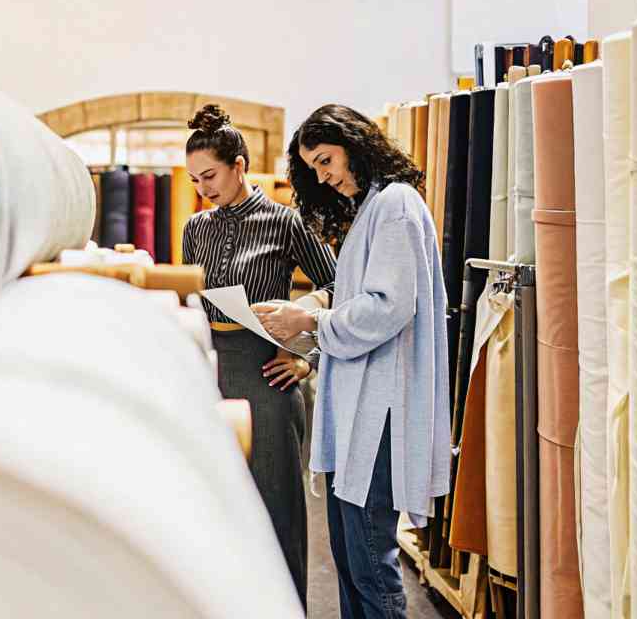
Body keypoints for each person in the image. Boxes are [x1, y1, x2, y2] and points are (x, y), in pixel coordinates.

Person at [254, 104, 450, 619]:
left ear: (354, 144)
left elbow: (388, 305)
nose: (323, 175)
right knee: (348, 555)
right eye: (314, 167)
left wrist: (310, 323)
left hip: (378, 409)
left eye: (326, 160)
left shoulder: (397, 206)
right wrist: (312, 312)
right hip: (361, 404)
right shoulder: (372, 209)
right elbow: (354, 294)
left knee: (368, 560)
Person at [181, 104, 336, 611]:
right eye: (195, 179)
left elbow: (338, 289)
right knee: (214, 512)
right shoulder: (194, 231)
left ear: (239, 165)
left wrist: (308, 359)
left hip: (269, 377)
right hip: (208, 377)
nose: (203, 188)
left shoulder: (287, 223)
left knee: (278, 515)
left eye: (210, 175)